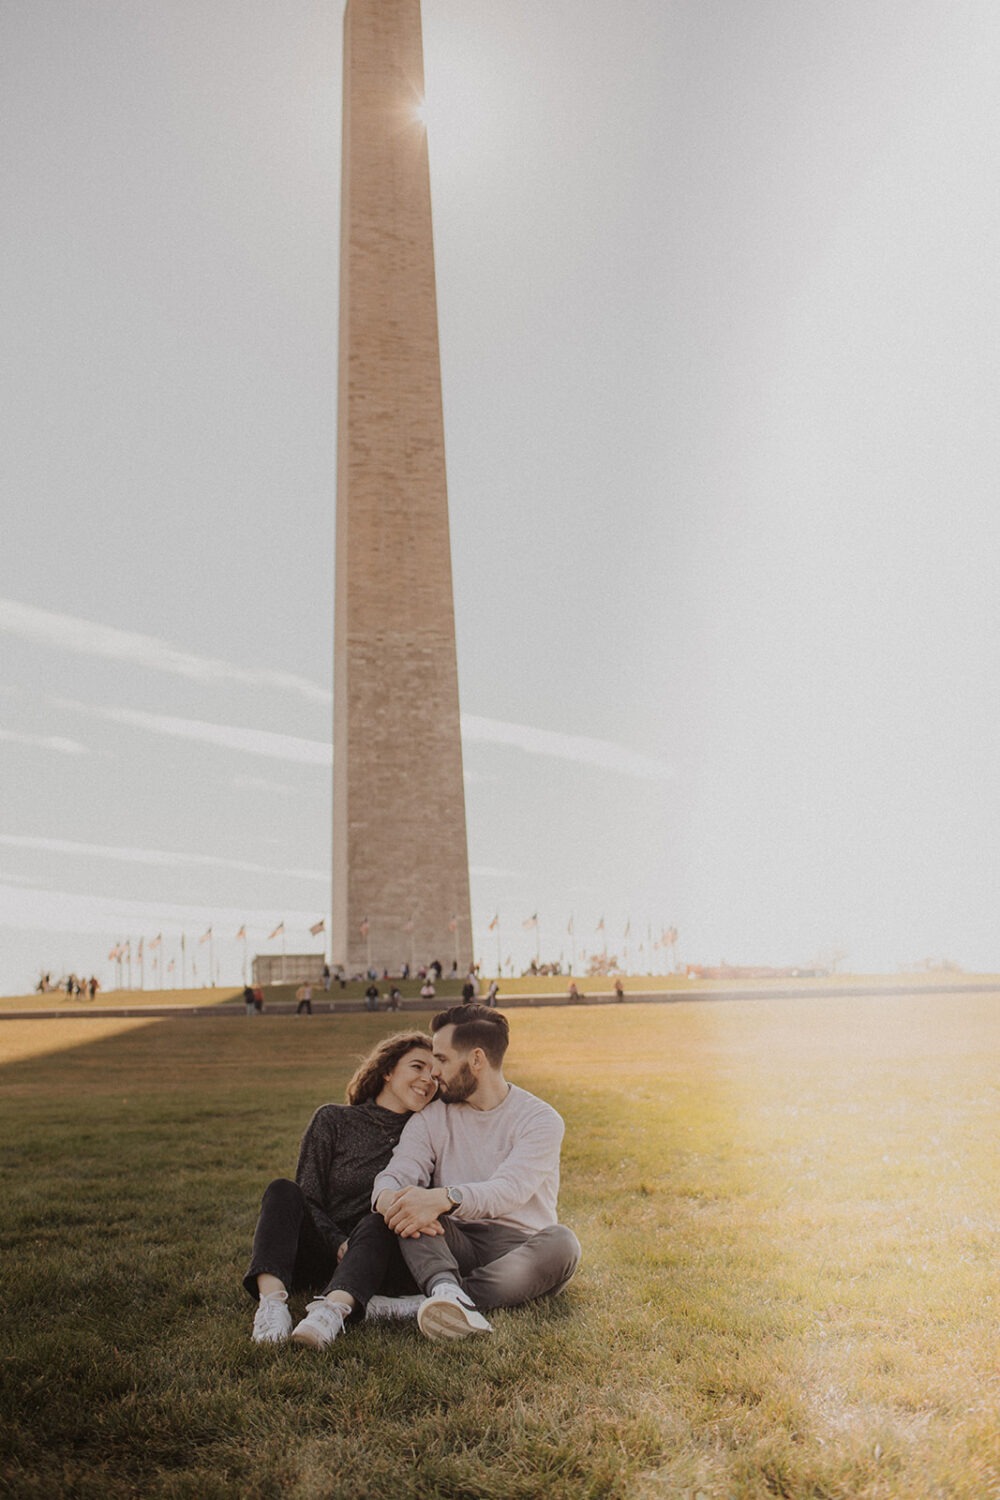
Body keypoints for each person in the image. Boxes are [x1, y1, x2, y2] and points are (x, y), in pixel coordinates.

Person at [372, 1005, 581, 1340]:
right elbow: (398, 1172)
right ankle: (445, 1291)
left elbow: (508, 1190)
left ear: (477, 1060)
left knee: (563, 1243)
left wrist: (445, 1198)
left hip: (519, 1251)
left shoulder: (540, 1119)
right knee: (412, 1204)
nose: (432, 1073)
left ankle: (431, 1300)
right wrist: (387, 1199)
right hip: (454, 1243)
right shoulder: (432, 1117)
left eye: (441, 1059)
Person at [243, 1031, 438, 1347]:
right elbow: (308, 1196)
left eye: (435, 1074)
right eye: (417, 1067)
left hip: (380, 1255)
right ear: (387, 1071)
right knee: (283, 1190)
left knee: (381, 1217)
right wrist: (337, 1243)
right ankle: (272, 1306)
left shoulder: (429, 1132)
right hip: (322, 1250)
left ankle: (354, 1304)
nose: (428, 1079)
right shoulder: (334, 1119)